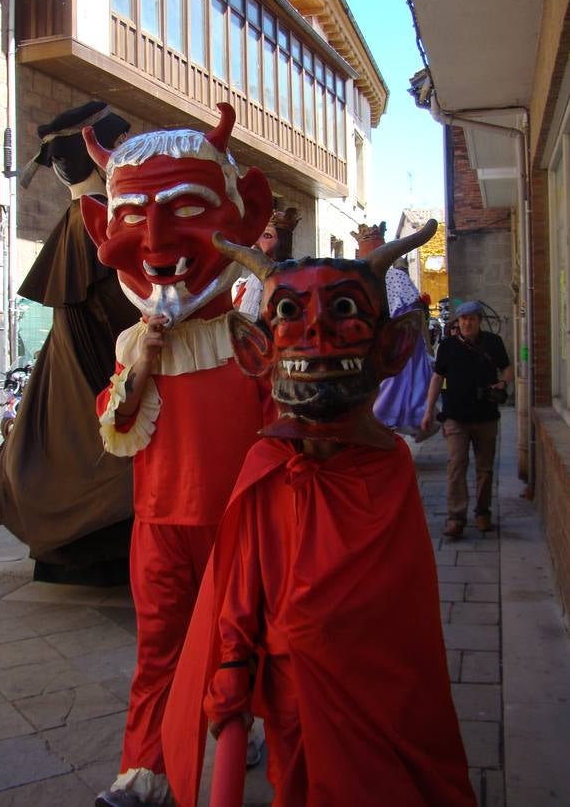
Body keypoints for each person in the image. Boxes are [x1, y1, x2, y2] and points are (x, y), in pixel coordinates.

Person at [163, 219, 476, 807]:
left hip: (379, 703)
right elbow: (244, 579)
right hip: (292, 697)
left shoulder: (390, 471)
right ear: (255, 349)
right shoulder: (265, 464)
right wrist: (232, 659)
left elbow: (405, 630)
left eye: (341, 310)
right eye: (288, 313)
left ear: (392, 346)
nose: (315, 331)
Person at [80, 104, 274, 807]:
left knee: (239, 644)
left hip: (237, 528)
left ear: (242, 215)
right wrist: (143, 364)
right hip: (159, 524)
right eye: (132, 216)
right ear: (105, 230)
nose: (156, 240)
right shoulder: (134, 342)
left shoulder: (250, 341)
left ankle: (245, 727)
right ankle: (145, 771)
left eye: (186, 206)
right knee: (158, 652)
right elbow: (117, 420)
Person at [0, 102, 139, 585]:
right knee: (93, 443)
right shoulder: (98, 218)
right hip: (99, 356)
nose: (126, 148)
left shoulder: (92, 216)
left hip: (89, 349)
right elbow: (116, 305)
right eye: (119, 140)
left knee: (69, 436)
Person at [420, 300, 513, 539]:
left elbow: (507, 368)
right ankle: (456, 517)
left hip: (486, 416)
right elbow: (437, 378)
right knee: (456, 465)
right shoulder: (448, 346)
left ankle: (483, 512)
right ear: (457, 322)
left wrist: (503, 383)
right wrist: (428, 410)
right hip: (456, 417)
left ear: (479, 321)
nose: (466, 323)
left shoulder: (493, 343)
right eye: (462, 320)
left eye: (471, 319)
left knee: (485, 468)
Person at [373, 256, 436, 438]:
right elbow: (416, 311)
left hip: (392, 334)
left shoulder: (382, 279)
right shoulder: (399, 277)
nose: (404, 269)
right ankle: (414, 418)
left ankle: (399, 417)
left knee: (397, 379)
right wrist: (426, 343)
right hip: (406, 334)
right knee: (412, 377)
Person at [233, 206, 300, 320]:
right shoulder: (250, 283)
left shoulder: (292, 277)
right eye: (258, 235)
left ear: (282, 241)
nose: (257, 241)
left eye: (267, 236)